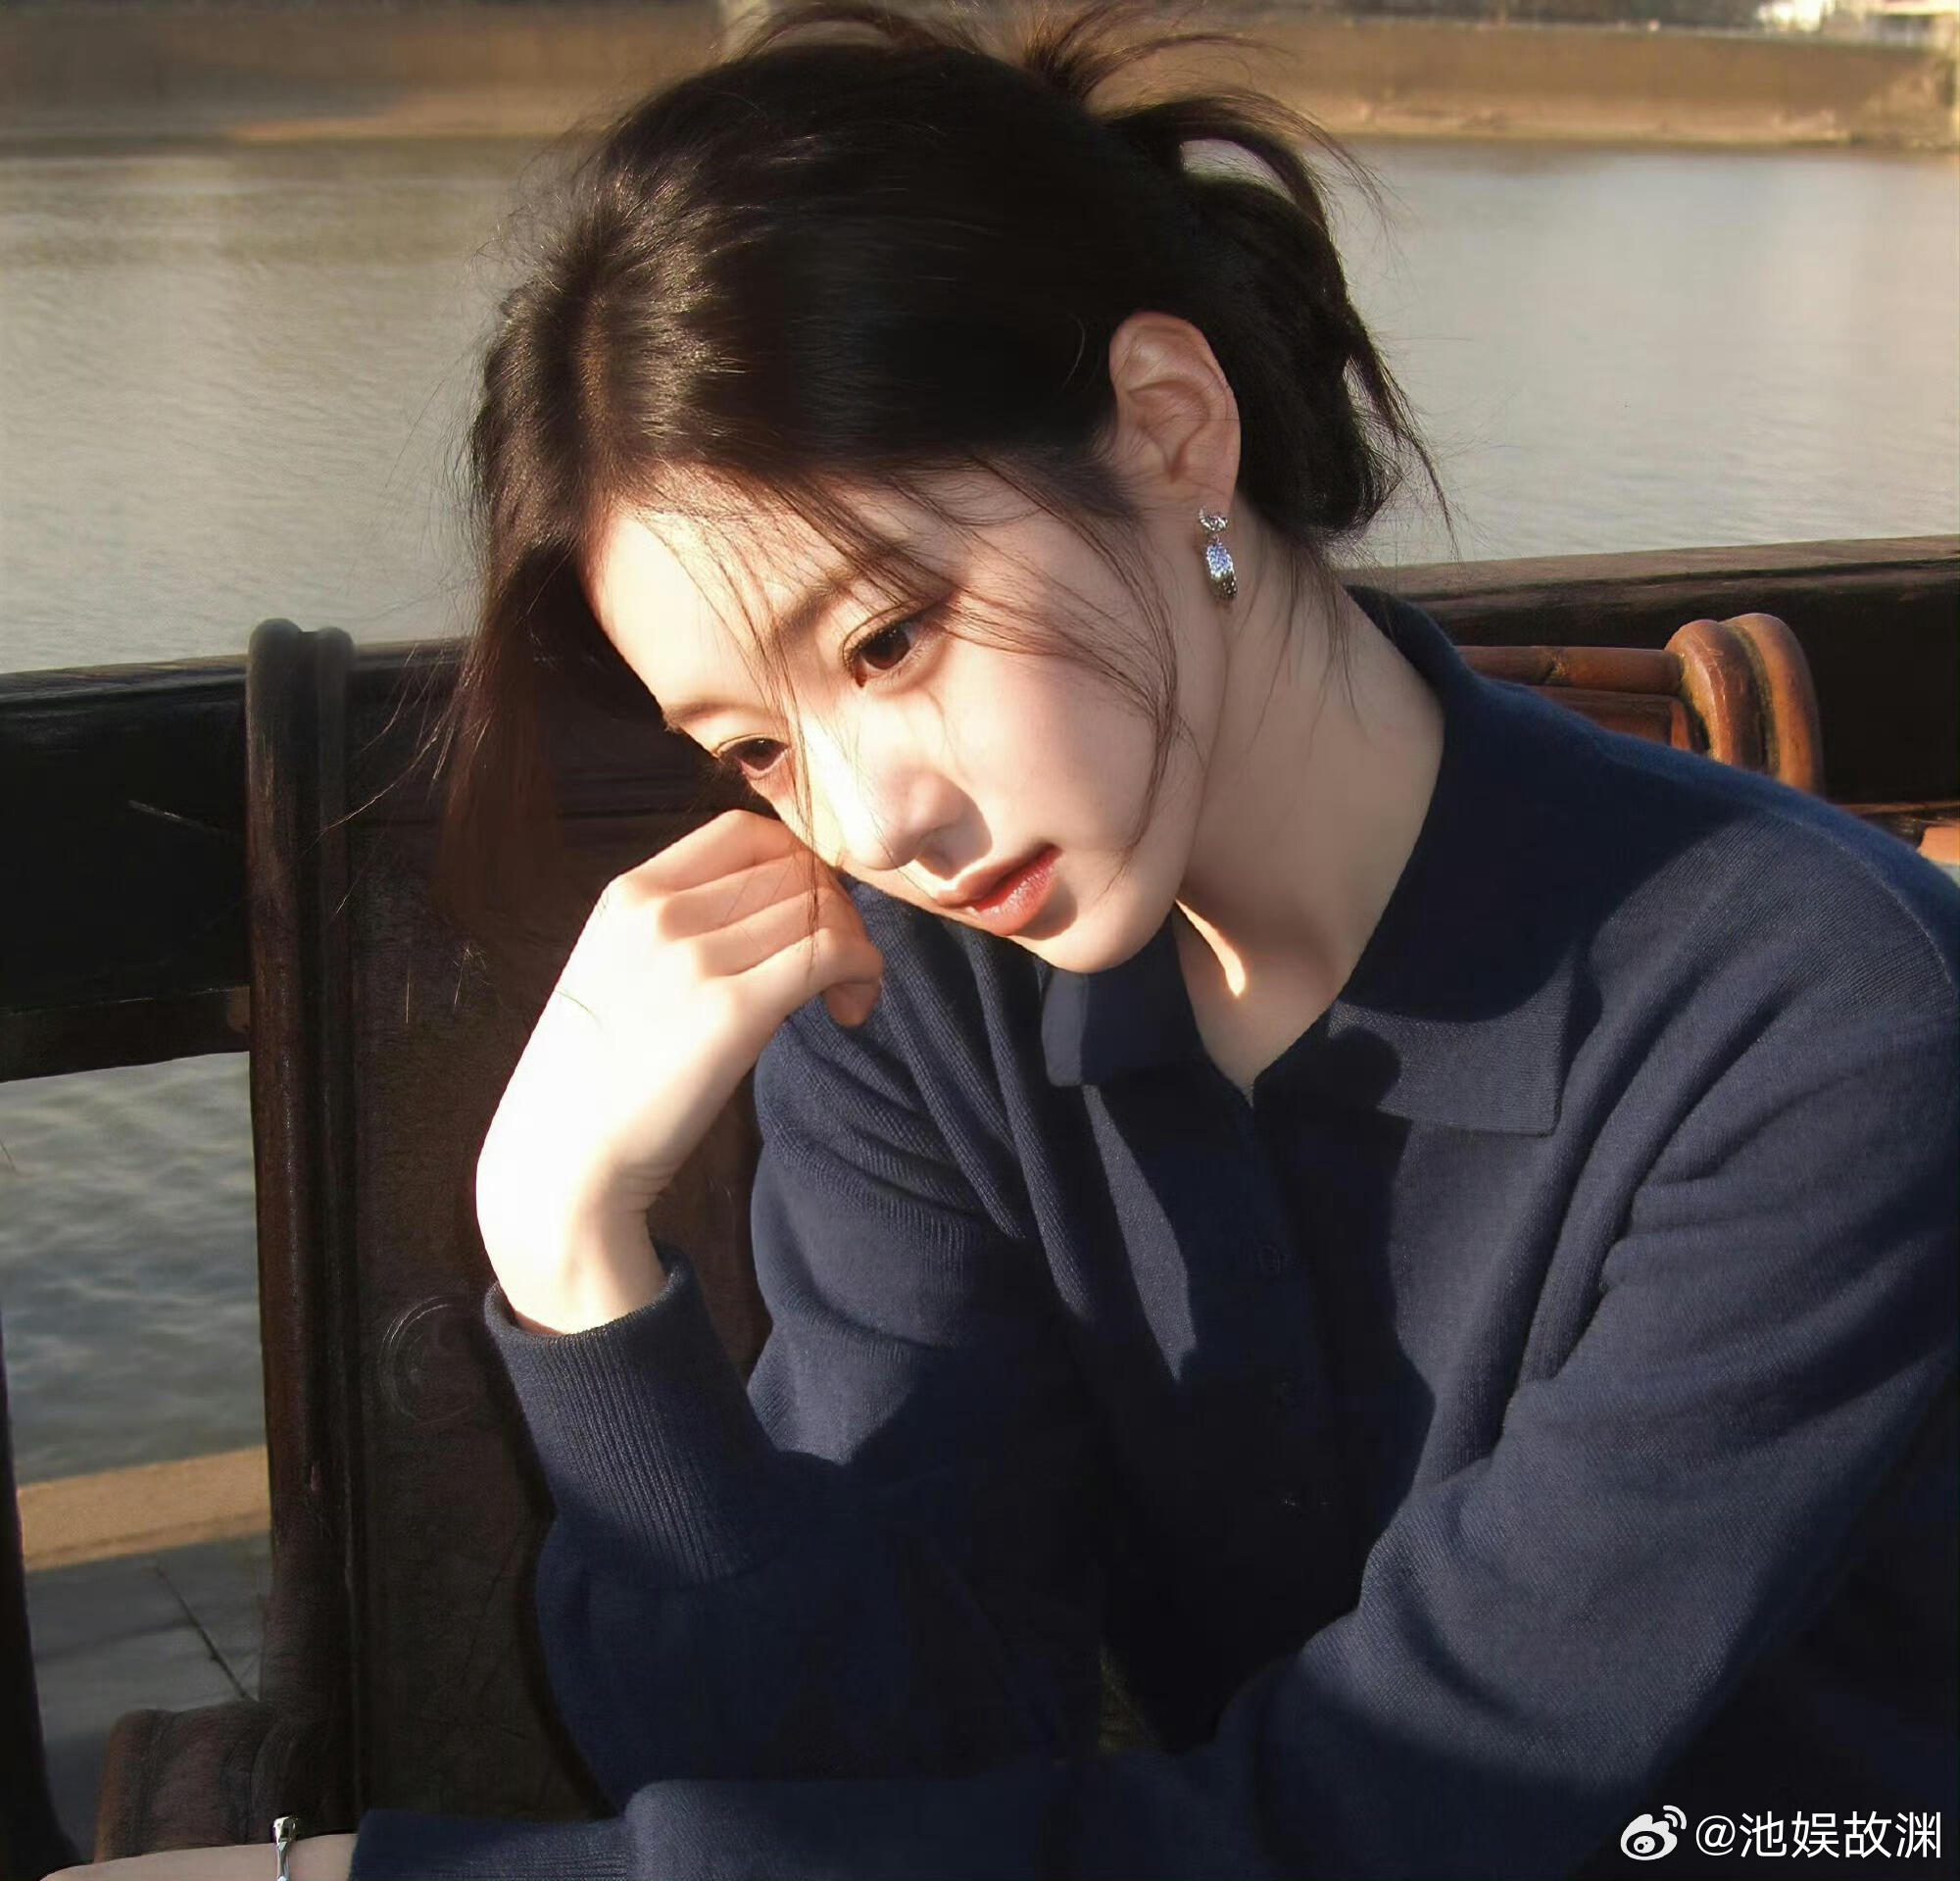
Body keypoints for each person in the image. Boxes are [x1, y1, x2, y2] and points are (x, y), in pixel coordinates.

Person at [54, 3, 1957, 1877]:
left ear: (1171, 427)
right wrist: (575, 1272)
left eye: (887, 639)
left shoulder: (1812, 1017)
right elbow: (875, 1779)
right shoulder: (930, 1001)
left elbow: (1383, 1819)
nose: (868, 821)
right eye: (755, 749)